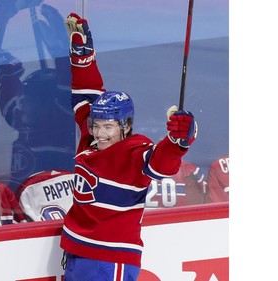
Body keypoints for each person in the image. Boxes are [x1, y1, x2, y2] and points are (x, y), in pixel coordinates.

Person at [59, 13, 198, 281]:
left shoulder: (134, 150)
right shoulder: (90, 139)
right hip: (76, 253)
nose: (100, 133)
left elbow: (161, 163)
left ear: (126, 126)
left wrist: (178, 142)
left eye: (108, 127)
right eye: (96, 124)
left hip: (110, 261)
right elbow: (88, 90)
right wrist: (83, 57)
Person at [0, 1, 75, 192]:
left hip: (56, 205)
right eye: (23, 98)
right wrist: (8, 72)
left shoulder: (62, 119)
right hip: (23, 206)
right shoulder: (23, 118)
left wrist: (63, 53)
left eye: (28, 99)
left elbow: (67, 87)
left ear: (50, 105)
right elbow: (11, 96)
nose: (22, 104)